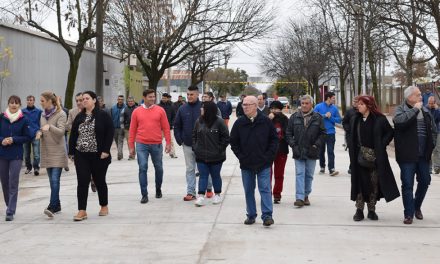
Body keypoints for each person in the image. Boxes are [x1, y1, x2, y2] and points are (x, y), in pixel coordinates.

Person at [349, 95, 400, 221]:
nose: (358, 106)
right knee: (360, 184)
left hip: (376, 158)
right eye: (358, 104)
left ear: (368, 105)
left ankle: (372, 210)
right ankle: (359, 210)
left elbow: (390, 132)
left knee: (373, 184)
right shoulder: (356, 119)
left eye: (361, 104)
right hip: (359, 158)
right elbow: (351, 134)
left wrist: (382, 145)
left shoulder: (380, 119)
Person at [230, 95, 278, 227]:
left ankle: (267, 216)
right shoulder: (239, 123)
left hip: (264, 163)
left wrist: (268, 156)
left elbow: (274, 140)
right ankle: (251, 215)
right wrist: (241, 156)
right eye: (243, 104)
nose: (244, 107)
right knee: (249, 190)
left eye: (248, 104)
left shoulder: (265, 121)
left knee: (265, 189)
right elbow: (233, 142)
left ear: (256, 106)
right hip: (246, 164)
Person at [393, 86, 436, 225]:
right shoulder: (401, 109)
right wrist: (415, 109)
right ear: (410, 97)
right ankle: (409, 214)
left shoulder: (426, 111)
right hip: (407, 155)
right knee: (407, 184)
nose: (420, 97)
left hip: (423, 155)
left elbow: (433, 130)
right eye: (418, 95)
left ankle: (416, 206)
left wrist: (431, 145)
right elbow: (399, 122)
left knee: (425, 181)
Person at [69, 91, 114, 221]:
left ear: (94, 100)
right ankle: (82, 210)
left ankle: (104, 205)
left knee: (99, 180)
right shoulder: (79, 116)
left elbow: (109, 132)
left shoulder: (103, 115)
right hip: (81, 154)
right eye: (82, 99)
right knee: (82, 181)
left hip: (99, 155)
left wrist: (106, 150)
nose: (84, 101)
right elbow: (73, 135)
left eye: (87, 98)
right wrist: (71, 152)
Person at [129, 89, 171, 203]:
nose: (153, 99)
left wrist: (168, 143)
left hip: (156, 143)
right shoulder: (136, 111)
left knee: (159, 168)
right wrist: (131, 146)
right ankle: (144, 194)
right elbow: (132, 130)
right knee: (142, 167)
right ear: (144, 97)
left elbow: (166, 127)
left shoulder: (160, 110)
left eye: (154, 97)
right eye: (150, 97)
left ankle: (158, 188)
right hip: (141, 144)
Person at [175, 85, 214, 201]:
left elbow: (213, 123)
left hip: (203, 145)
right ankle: (191, 192)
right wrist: (180, 140)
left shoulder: (204, 108)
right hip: (187, 144)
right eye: (187, 94)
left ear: (198, 95)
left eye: (191, 94)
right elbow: (177, 125)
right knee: (190, 168)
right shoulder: (182, 109)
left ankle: (208, 188)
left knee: (205, 168)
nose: (189, 96)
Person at [286, 95, 325, 207]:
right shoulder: (294, 117)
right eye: (302, 103)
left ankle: (305, 195)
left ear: (311, 104)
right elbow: (288, 133)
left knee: (309, 175)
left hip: (312, 150)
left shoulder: (318, 117)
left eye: (306, 103)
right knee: (299, 173)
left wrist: (316, 145)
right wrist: (293, 145)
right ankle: (299, 197)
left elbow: (323, 134)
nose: (304, 105)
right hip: (298, 150)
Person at [36, 92, 68, 218]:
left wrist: (49, 127)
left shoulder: (61, 114)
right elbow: (42, 128)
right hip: (47, 151)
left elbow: (61, 132)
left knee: (55, 180)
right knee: (51, 181)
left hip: (58, 152)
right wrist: (39, 132)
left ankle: (51, 206)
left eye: (43, 100)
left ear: (50, 101)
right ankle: (57, 204)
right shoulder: (42, 114)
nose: (41, 102)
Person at [0, 95, 31, 221]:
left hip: (16, 155)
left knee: (13, 181)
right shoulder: (1, 117)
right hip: (2, 154)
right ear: (8, 104)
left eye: (16, 103)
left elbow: (27, 137)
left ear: (19, 105)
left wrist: (14, 139)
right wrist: (2, 140)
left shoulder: (24, 119)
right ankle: (9, 205)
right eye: (11, 102)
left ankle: (10, 211)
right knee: (4, 182)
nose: (14, 105)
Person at [193, 101, 230, 207]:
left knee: (215, 176)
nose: (201, 110)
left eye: (203, 108)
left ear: (208, 109)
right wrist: (195, 148)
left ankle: (217, 194)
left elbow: (226, 137)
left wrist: (219, 149)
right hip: (201, 155)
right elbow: (194, 135)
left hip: (216, 156)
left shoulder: (220, 121)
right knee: (203, 176)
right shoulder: (198, 121)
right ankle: (200, 196)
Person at [314, 91, 341, 176]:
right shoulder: (318, 106)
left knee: (330, 151)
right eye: (333, 98)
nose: (334, 99)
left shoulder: (335, 108)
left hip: (331, 132)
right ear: (328, 98)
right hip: (321, 133)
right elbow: (314, 117)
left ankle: (332, 169)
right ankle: (322, 167)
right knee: (321, 151)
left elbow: (339, 120)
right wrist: (325, 115)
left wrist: (331, 117)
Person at [268, 100, 289, 204]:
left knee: (279, 174)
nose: (273, 111)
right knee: (267, 174)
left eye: (276, 109)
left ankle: (277, 194)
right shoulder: (266, 119)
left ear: (280, 109)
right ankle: (267, 193)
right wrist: (268, 120)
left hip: (282, 150)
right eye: (272, 108)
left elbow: (288, 134)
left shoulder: (285, 119)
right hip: (268, 151)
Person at [22, 95, 42, 176]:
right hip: (25, 135)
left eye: (31, 100)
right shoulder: (22, 112)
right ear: (26, 101)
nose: (29, 101)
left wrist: (40, 131)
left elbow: (42, 122)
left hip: (35, 135)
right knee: (26, 154)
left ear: (34, 101)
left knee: (36, 154)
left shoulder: (39, 111)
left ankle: (36, 168)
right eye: (28, 100)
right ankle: (28, 167)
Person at [342, 97, 359, 174]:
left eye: (357, 101)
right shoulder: (349, 111)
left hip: (360, 137)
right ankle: (352, 167)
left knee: (359, 153)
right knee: (352, 152)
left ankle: (354, 167)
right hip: (350, 136)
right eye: (354, 101)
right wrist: (348, 129)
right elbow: (344, 122)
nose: (355, 103)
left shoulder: (362, 111)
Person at [158, 93, 177, 158]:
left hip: (169, 127)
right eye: (162, 98)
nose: (163, 99)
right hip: (160, 127)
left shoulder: (172, 106)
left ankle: (172, 153)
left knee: (171, 140)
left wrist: (172, 124)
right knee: (159, 140)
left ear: (167, 98)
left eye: (165, 98)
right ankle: (158, 153)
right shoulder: (158, 106)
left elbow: (174, 116)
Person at [426, 96, 440, 174]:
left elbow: (437, 119)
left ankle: (437, 167)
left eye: (432, 103)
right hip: (429, 132)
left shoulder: (437, 110)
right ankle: (429, 168)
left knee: (437, 149)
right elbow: (430, 119)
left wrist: (437, 110)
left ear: (435, 103)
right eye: (429, 103)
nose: (430, 105)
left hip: (437, 131)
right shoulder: (425, 109)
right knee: (429, 149)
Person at [111, 95, 126, 160]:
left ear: (123, 100)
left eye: (122, 99)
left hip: (121, 127)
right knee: (117, 141)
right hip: (114, 128)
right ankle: (120, 153)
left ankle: (119, 154)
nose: (120, 100)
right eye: (119, 99)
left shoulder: (125, 108)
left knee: (120, 141)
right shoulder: (113, 108)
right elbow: (111, 117)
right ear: (117, 100)